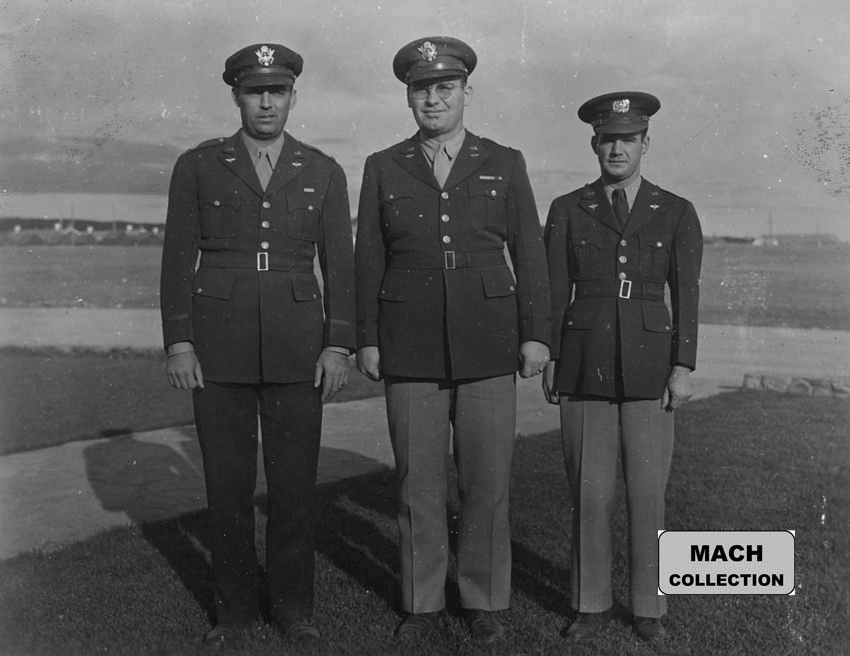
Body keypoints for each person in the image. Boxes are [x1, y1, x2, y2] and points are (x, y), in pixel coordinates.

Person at [355, 36, 551, 645]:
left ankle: (483, 599)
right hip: (408, 340)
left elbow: (530, 254)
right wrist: (367, 338)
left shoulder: (504, 161)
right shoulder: (383, 165)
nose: (434, 99)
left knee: (486, 481)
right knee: (417, 482)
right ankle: (421, 602)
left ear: (467, 92)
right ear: (408, 98)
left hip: (488, 338)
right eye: (422, 89)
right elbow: (368, 259)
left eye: (446, 87)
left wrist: (536, 335)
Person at [160, 43, 355, 647]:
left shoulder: (322, 170)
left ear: (294, 96)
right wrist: (179, 342)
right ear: (236, 97)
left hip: (299, 348)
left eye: (278, 91)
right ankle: (235, 611)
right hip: (219, 349)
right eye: (255, 92)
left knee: (294, 489)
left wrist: (338, 346)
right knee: (228, 488)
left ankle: (294, 609)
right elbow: (176, 262)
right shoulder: (199, 166)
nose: (267, 103)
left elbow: (340, 268)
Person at [542, 91, 703, 645]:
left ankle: (649, 607)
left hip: (650, 365)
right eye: (608, 139)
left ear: (645, 144)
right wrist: (552, 356)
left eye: (628, 139)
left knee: (647, 491)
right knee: (590, 491)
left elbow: (687, 295)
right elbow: (553, 291)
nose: (617, 149)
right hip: (584, 362)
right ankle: (589, 603)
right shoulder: (568, 208)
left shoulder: (675, 210)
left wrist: (683, 365)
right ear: (594, 143)